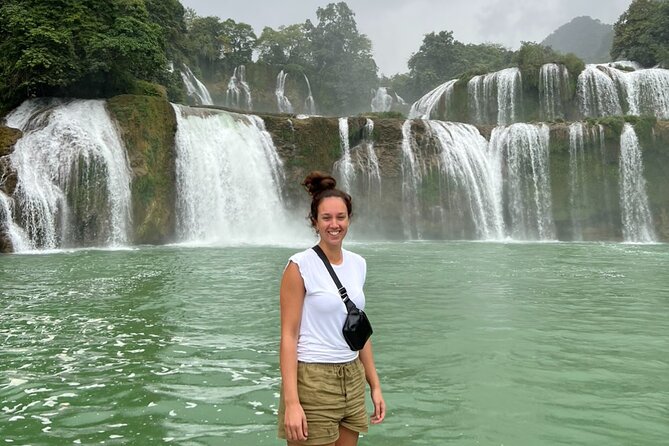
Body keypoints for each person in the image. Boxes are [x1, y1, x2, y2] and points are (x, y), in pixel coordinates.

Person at [278, 171, 386, 446]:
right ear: (315, 222)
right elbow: (289, 337)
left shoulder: (358, 264)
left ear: (349, 219)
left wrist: (374, 385)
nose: (334, 225)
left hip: (352, 376)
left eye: (341, 217)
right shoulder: (299, 266)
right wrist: (292, 402)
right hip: (313, 379)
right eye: (326, 218)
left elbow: (359, 330)